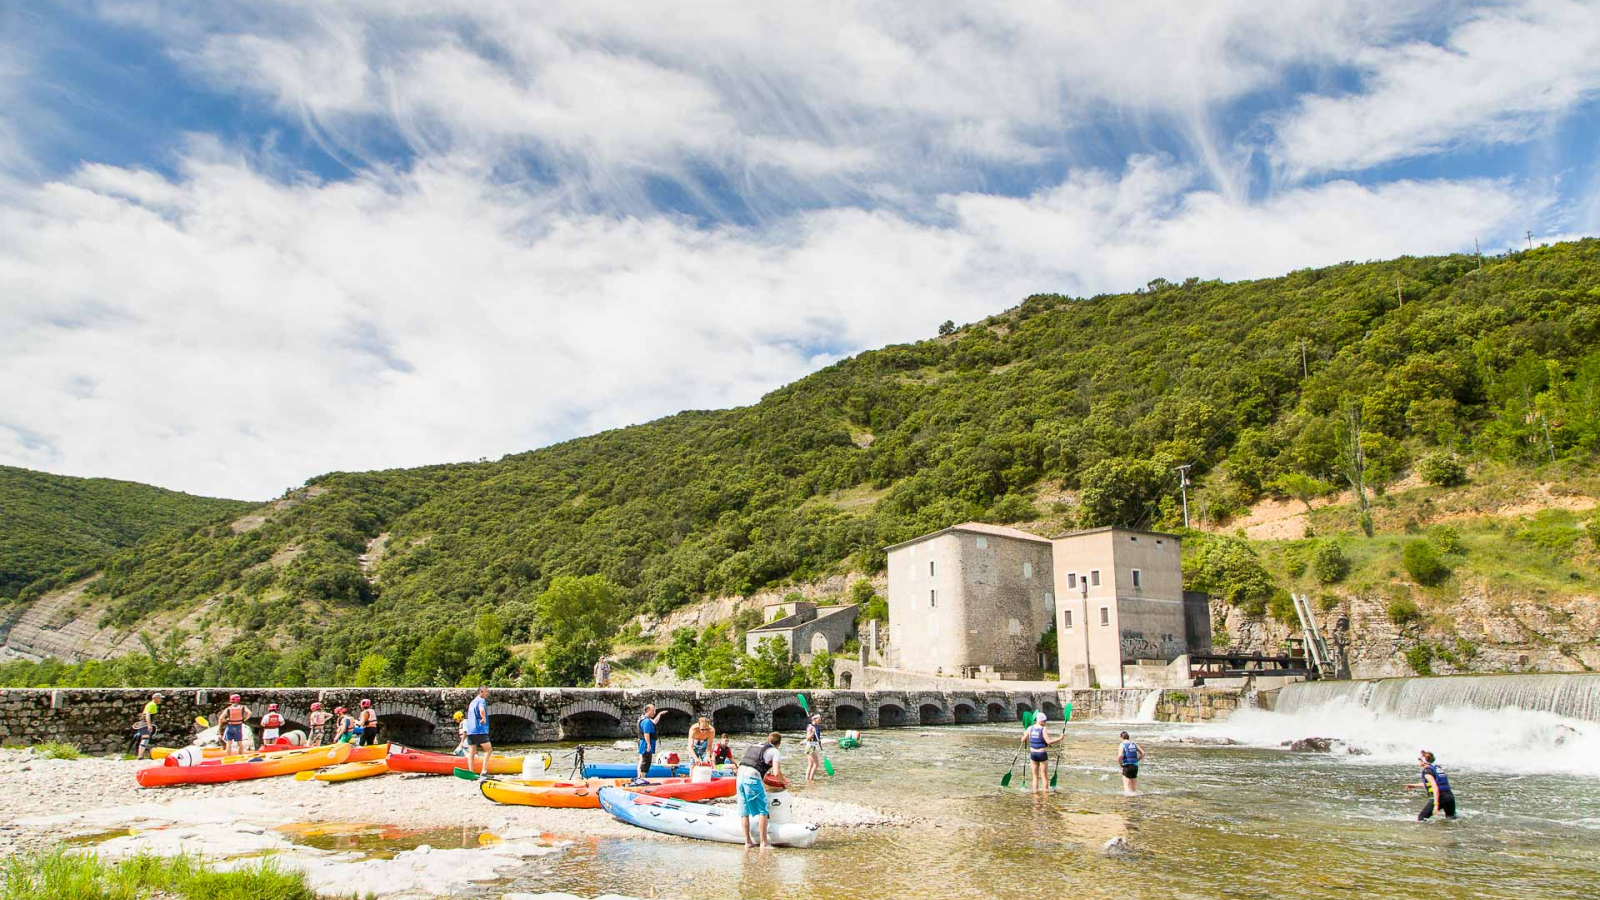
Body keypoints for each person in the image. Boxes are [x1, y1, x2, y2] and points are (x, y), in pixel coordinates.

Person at [737, 732, 786, 850]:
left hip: (739, 776)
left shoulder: (756, 745)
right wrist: (784, 782)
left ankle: (747, 842)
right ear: (779, 743)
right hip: (752, 778)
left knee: (744, 811)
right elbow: (776, 773)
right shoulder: (775, 751)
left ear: (768, 740)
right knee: (763, 810)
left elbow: (754, 763)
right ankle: (764, 843)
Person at [1407, 750, 1458, 821]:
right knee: (1451, 819)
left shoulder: (1427, 772)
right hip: (1450, 797)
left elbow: (1435, 787)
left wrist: (1436, 805)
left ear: (1424, 761)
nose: (1419, 761)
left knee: (1421, 819)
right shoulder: (1437, 768)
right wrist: (1414, 785)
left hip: (1440, 797)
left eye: (1420, 760)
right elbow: (1436, 784)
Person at [1021, 713, 1062, 793]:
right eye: (1044, 721)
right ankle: (1045, 794)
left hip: (1033, 754)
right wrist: (1059, 738)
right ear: (1040, 721)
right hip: (1041, 754)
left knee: (1035, 777)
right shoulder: (1043, 729)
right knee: (1044, 777)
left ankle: (1035, 794)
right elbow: (1048, 741)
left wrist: (1024, 734)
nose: (1045, 722)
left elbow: (1023, 740)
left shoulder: (1029, 728)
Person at [463, 687, 493, 776]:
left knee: (471, 751)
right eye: (486, 692)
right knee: (488, 749)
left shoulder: (472, 702)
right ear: (481, 692)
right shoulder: (481, 701)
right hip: (479, 729)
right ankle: (484, 771)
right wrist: (483, 718)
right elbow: (482, 710)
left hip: (470, 730)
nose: (487, 693)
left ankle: (471, 772)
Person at [635, 704, 667, 782]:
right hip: (645, 743)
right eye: (653, 710)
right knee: (646, 760)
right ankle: (642, 778)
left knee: (642, 759)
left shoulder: (644, 718)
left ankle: (639, 777)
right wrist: (648, 744)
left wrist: (659, 714)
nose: (654, 712)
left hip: (642, 742)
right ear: (648, 710)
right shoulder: (646, 721)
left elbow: (654, 722)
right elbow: (646, 733)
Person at [131, 692, 163, 760]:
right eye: (159, 698)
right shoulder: (152, 705)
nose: (160, 700)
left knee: (144, 739)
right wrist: (149, 725)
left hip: (143, 723)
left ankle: (140, 755)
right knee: (145, 739)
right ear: (155, 698)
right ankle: (140, 756)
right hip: (145, 724)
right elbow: (147, 714)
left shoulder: (150, 704)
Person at [1118, 731, 1145, 796]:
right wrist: (1137, 760)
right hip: (1135, 766)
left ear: (1121, 737)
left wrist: (1121, 764)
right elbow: (1143, 753)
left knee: (1127, 789)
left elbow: (1119, 756)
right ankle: (1136, 801)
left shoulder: (1122, 744)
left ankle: (1127, 803)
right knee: (1135, 789)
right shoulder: (1134, 744)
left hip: (1127, 766)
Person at [802, 714, 825, 783]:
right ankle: (811, 779)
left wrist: (819, 741)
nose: (820, 721)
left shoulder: (817, 726)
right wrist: (812, 733)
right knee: (816, 764)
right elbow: (807, 738)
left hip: (813, 746)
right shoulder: (810, 727)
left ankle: (807, 779)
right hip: (810, 746)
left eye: (820, 719)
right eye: (819, 719)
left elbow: (817, 738)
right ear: (814, 719)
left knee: (811, 764)